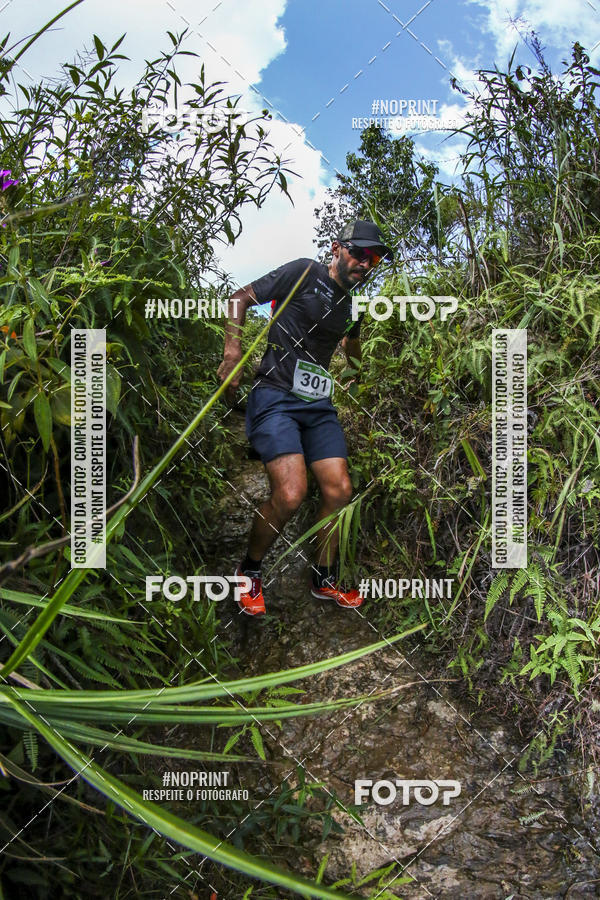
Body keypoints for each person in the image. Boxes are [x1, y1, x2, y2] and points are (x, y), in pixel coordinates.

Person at [217, 220, 393, 616]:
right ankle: (249, 571)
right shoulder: (304, 272)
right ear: (336, 249)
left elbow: (351, 343)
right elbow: (238, 297)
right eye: (359, 254)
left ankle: (323, 578)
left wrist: (356, 371)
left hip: (318, 407)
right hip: (275, 395)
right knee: (292, 492)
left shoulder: (351, 306)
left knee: (339, 490)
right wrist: (232, 353)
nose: (366, 264)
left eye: (374, 258)